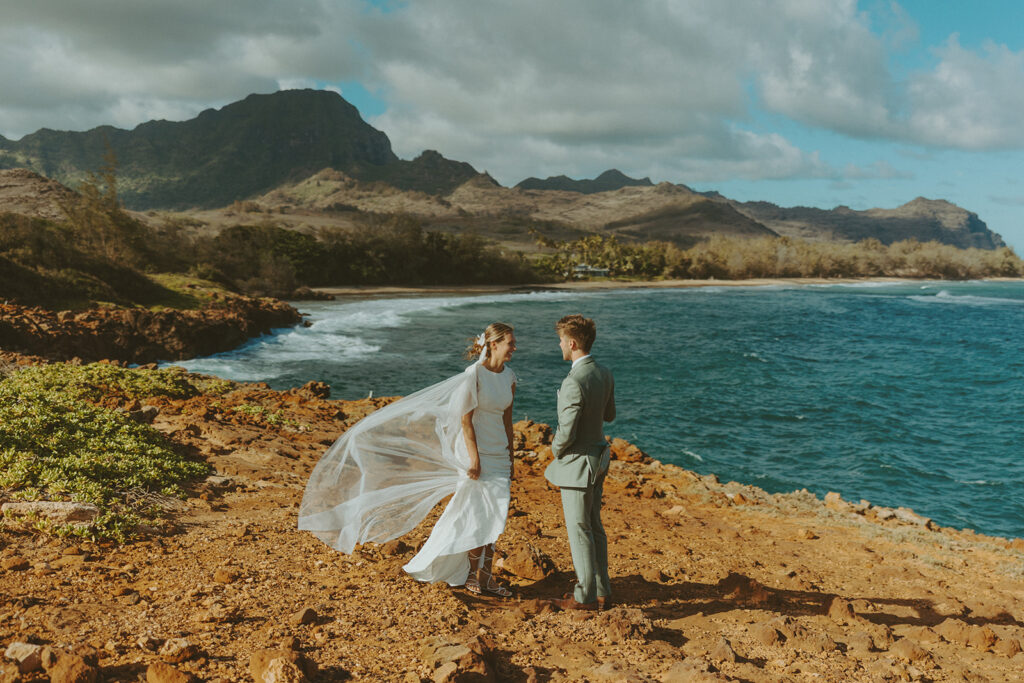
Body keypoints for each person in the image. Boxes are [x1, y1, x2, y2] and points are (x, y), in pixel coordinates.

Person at [298, 323, 518, 597]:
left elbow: (507, 421)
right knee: (479, 515)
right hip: (476, 454)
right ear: (494, 344)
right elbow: (465, 420)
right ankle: (479, 577)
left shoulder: (509, 376)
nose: (514, 348)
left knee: (494, 515)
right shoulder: (473, 376)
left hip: (499, 455)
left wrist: (511, 456)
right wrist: (474, 458)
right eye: (510, 342)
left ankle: (479, 575)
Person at [545, 314, 616, 610]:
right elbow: (609, 415)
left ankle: (584, 597)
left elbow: (567, 430)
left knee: (579, 529)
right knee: (594, 525)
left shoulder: (574, 380)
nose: (559, 344)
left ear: (572, 343)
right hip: (599, 457)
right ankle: (603, 591)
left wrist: (554, 449)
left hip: (578, 465)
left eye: (561, 340)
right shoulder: (603, 372)